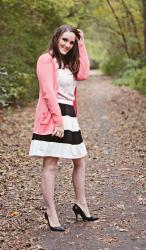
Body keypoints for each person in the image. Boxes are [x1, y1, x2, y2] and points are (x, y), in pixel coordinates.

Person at [29, 24, 98, 232]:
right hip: (53, 116)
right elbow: (48, 92)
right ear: (56, 37)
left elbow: (84, 74)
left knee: (80, 160)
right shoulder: (46, 60)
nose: (67, 44)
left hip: (70, 117)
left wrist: (82, 43)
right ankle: (51, 212)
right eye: (64, 40)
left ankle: (81, 204)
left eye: (71, 42)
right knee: (51, 164)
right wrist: (58, 122)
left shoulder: (69, 63)